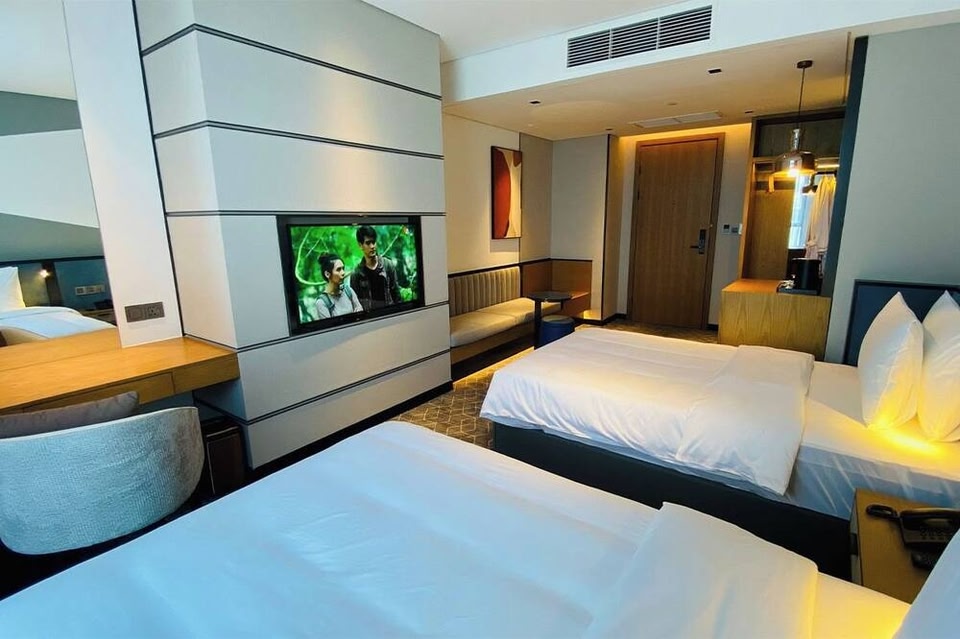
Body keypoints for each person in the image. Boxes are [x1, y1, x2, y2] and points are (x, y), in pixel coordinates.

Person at [349, 225, 401, 311]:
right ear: (360, 245)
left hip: (389, 313)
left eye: (373, 242)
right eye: (368, 243)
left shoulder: (387, 265)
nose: (372, 246)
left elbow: (396, 295)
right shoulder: (356, 274)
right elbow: (356, 303)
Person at [315, 253, 363, 319]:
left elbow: (359, 308)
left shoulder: (348, 291)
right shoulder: (322, 302)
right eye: (338, 270)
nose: (343, 273)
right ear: (327, 274)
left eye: (343, 268)